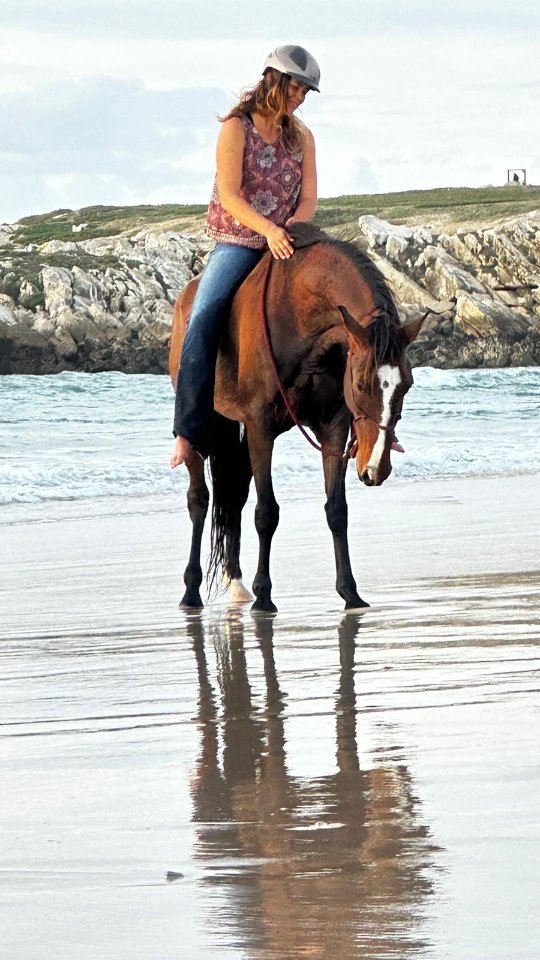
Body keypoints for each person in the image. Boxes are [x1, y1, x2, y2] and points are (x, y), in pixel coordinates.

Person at [170, 44, 320, 468]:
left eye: (306, 92)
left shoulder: (303, 137)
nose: (301, 97)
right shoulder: (236, 129)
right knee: (203, 314)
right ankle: (187, 431)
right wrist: (267, 229)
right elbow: (232, 197)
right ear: (274, 80)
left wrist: (291, 226)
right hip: (240, 241)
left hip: (286, 241)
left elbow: (308, 198)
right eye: (297, 88)